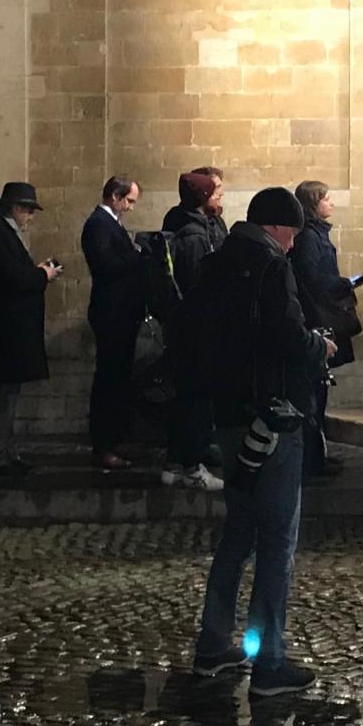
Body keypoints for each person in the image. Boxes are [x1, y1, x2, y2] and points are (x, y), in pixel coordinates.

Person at [191, 185, 326, 697]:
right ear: (276, 227)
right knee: (276, 540)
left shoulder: (214, 263)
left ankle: (213, 644)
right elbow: (286, 335)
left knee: (239, 532)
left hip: (228, 417)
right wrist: (319, 346)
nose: (293, 244)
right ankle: (269, 661)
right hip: (272, 419)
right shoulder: (271, 266)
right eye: (291, 234)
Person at [0, 182, 57, 477]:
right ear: (17, 208)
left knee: (8, 394)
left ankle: (4, 452)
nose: (30, 217)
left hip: (8, 329)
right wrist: (42, 274)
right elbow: (15, 278)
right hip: (5, 331)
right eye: (29, 211)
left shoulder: (1, 232)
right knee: (4, 395)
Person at [161, 167, 227, 491]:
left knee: (185, 397)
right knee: (195, 399)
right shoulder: (195, 237)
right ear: (202, 198)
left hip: (184, 327)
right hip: (196, 329)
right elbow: (200, 286)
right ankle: (192, 467)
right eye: (215, 193)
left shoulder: (184, 227)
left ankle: (174, 464)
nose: (220, 197)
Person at [291, 180, 360, 478]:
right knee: (314, 393)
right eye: (326, 199)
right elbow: (312, 277)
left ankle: (317, 456)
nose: (332, 203)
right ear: (313, 204)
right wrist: (343, 284)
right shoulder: (308, 237)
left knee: (319, 391)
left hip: (322, 313)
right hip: (318, 317)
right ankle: (312, 460)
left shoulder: (316, 233)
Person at [82, 176, 147, 471]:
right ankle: (103, 445)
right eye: (129, 201)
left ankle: (114, 439)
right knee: (109, 379)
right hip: (111, 312)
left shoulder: (110, 223)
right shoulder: (98, 224)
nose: (131, 207)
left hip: (121, 311)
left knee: (118, 378)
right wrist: (138, 256)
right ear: (114, 197)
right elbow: (105, 265)